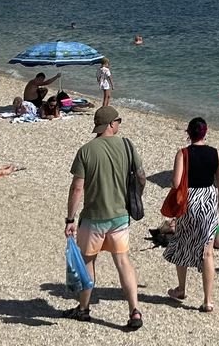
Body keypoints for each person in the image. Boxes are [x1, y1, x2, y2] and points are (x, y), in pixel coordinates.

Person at [62, 106, 145, 330]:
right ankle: (134, 311)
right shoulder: (127, 146)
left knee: (88, 261)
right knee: (123, 261)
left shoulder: (86, 151)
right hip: (119, 216)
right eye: (118, 120)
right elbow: (141, 177)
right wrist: (135, 198)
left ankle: (83, 309)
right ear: (110, 124)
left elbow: (77, 188)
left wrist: (70, 219)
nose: (119, 124)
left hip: (93, 216)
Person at [165, 117, 219, 312]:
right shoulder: (216, 153)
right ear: (205, 133)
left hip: (189, 199)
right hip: (208, 199)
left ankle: (181, 289)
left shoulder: (183, 153)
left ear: (188, 133)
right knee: (207, 251)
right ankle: (208, 300)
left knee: (182, 242)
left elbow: (175, 183)